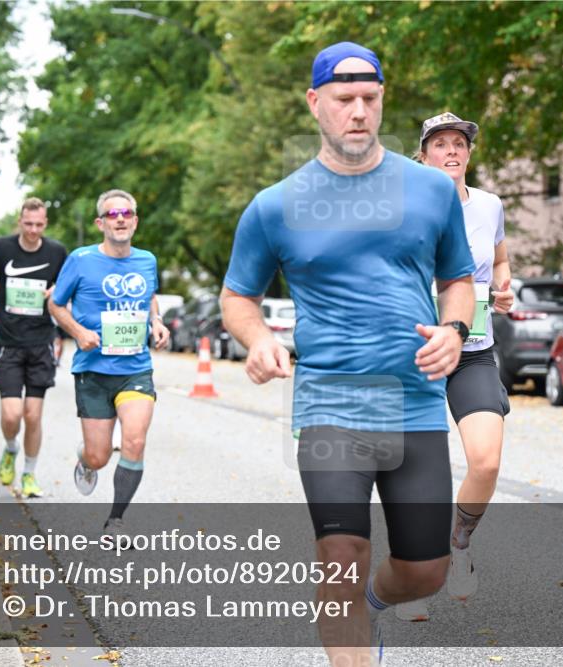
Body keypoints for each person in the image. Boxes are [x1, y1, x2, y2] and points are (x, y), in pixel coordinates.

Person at [221, 42, 476, 666]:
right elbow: (237, 297)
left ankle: (371, 603)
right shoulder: (276, 204)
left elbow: (459, 281)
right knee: (339, 559)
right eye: (344, 100)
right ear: (316, 104)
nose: (358, 112)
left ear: (382, 99)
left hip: (414, 405)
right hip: (330, 404)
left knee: (425, 572)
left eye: (370, 98)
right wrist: (258, 341)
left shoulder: (431, 192)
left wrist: (455, 330)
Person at [394, 112, 515, 623]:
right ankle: (411, 579)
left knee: (485, 463)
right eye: (439, 143)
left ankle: (458, 543)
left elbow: (501, 263)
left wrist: (507, 289)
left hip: (475, 349)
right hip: (418, 353)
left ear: (468, 153)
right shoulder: (404, 205)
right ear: (423, 154)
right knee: (417, 476)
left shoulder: (490, 205)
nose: (450, 150)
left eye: (459, 143)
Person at [49, 189, 170, 540]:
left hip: (135, 368)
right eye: (112, 214)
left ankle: (115, 521)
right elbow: (56, 305)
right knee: (100, 456)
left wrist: (157, 321)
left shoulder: (147, 259)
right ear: (100, 223)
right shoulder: (81, 259)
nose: (120, 219)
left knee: (134, 440)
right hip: (93, 369)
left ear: (135, 220)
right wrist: (78, 332)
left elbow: (148, 295)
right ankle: (86, 457)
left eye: (127, 213)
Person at [0, 197, 68, 498]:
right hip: (9, 343)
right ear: (20, 221)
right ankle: (11, 448)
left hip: (41, 343)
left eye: (39, 225)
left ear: (46, 224)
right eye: (28, 224)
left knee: (33, 416)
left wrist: (57, 290)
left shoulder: (56, 252)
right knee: (11, 415)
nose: (33, 230)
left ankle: (29, 473)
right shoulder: (1, 248)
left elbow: (68, 288)